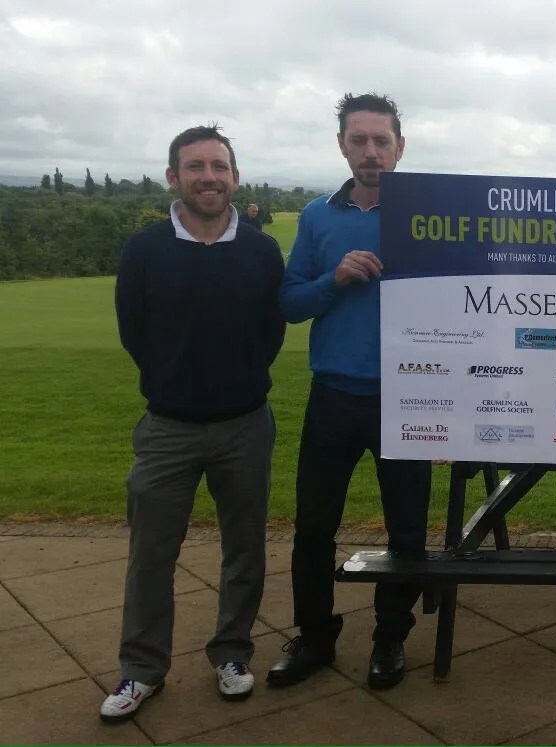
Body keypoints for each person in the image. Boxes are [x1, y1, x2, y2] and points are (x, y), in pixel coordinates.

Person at [103, 125, 285, 722]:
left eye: (219, 166)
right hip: (167, 429)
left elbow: (269, 333)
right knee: (151, 555)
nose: (209, 177)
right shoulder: (144, 249)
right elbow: (134, 332)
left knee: (244, 550)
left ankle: (231, 654)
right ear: (173, 177)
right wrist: (174, 381)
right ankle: (141, 669)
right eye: (195, 167)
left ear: (235, 176)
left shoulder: (261, 250)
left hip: (245, 425)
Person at [267, 92, 431, 691]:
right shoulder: (318, 216)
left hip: (408, 397)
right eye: (358, 140)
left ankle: (391, 636)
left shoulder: (427, 220)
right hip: (333, 395)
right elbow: (289, 302)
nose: (370, 152)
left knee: (407, 531)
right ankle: (315, 637)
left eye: (381, 141)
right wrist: (333, 280)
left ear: (400, 147)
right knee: (314, 528)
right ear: (342, 146)